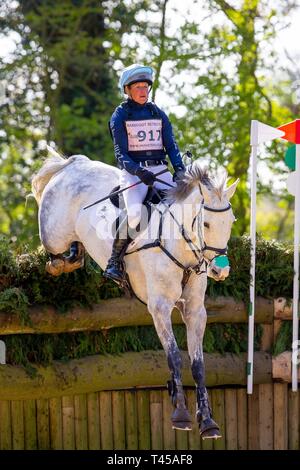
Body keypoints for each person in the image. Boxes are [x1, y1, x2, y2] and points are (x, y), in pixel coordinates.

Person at [103, 64, 185, 282]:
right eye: (138, 87)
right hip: (133, 172)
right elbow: (120, 154)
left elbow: (171, 146)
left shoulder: (158, 113)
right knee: (136, 215)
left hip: (159, 169)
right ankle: (114, 261)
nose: (143, 91)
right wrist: (138, 171)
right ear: (128, 90)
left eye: (145, 87)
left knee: (183, 207)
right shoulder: (120, 115)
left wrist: (179, 169)